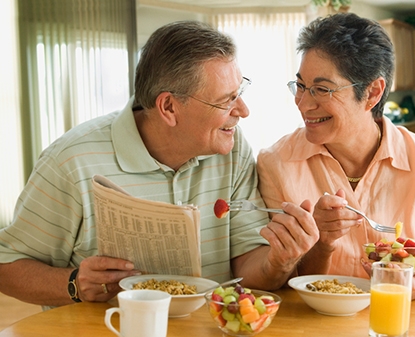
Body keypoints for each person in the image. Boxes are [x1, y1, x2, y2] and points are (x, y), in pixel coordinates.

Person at [0, 21, 318, 309]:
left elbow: (247, 265)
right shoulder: (71, 163)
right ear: (168, 106)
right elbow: (6, 266)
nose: (243, 111)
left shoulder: (232, 151)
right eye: (226, 100)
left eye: (240, 92)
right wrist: (74, 284)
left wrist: (280, 259)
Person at [257, 13, 415, 308]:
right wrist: (322, 244)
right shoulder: (276, 163)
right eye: (300, 85)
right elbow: (277, 290)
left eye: (322, 89)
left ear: (372, 93)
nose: (303, 103)